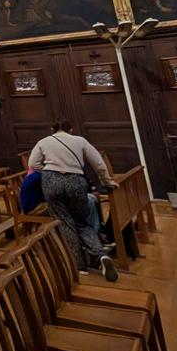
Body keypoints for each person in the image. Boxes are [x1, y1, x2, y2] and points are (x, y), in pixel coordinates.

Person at [27, 119, 119, 281]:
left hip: (52, 182)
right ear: (71, 129)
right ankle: (100, 255)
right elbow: (98, 163)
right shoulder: (80, 141)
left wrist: (49, 171)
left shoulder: (44, 142)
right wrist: (106, 181)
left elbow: (33, 164)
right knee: (82, 221)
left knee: (64, 222)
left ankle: (79, 265)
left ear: (52, 129)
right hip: (75, 181)